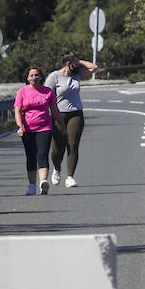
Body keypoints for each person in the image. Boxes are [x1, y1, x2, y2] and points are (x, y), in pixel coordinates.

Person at [45, 51, 98, 188]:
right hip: (58, 114)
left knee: (72, 144)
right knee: (57, 149)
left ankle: (70, 176)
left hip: (76, 113)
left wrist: (79, 61)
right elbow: (46, 97)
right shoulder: (54, 77)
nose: (78, 64)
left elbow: (94, 67)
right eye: (75, 62)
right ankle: (57, 168)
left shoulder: (77, 74)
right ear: (68, 63)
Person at [14, 64, 64, 195]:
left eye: (36, 75)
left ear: (41, 77)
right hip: (27, 129)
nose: (34, 77)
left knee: (42, 154)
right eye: (31, 75)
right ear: (27, 77)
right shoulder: (22, 92)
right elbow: (17, 110)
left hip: (44, 127)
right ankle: (32, 185)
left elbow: (54, 110)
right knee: (30, 156)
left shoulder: (47, 92)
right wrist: (20, 126)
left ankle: (43, 182)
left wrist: (62, 125)